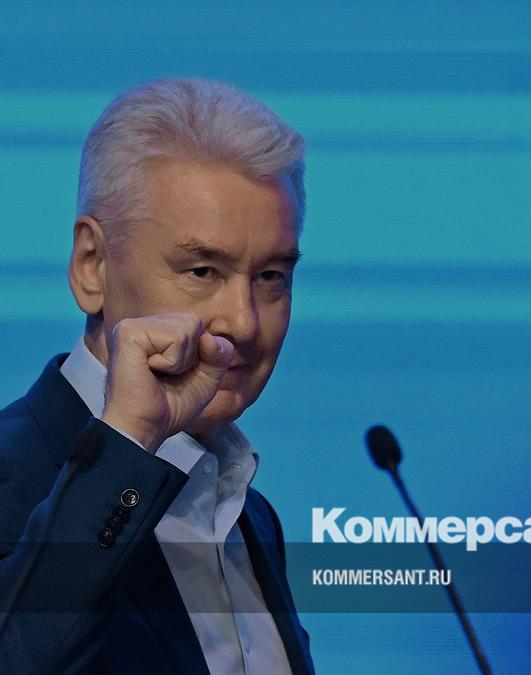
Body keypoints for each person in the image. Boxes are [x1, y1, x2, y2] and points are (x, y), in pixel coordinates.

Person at [0, 77, 315, 673]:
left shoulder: (253, 516)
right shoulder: (10, 476)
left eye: (271, 276)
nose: (243, 322)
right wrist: (126, 445)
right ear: (92, 266)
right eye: (202, 271)